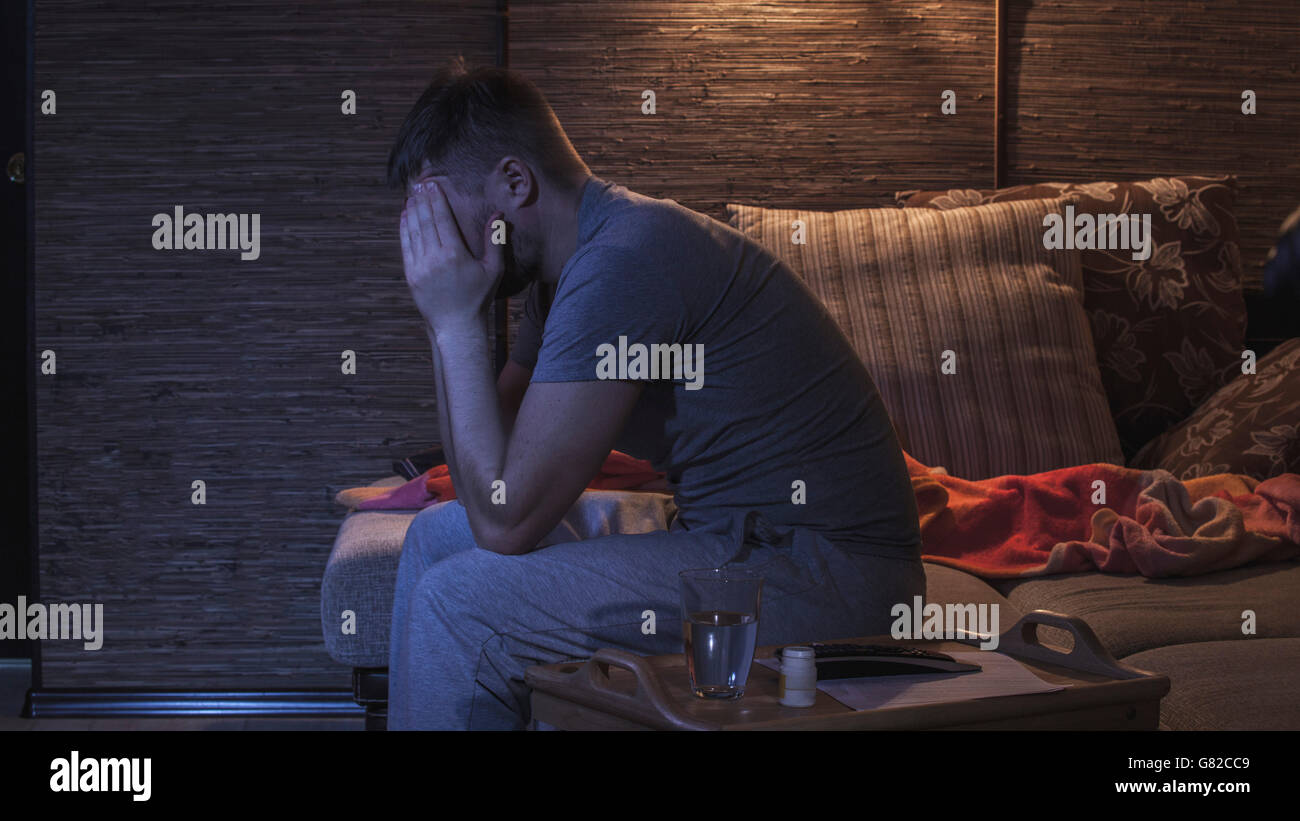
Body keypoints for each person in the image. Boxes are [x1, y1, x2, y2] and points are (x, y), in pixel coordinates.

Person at [385, 56, 923, 730]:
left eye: (438, 212)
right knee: (436, 537)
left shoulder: (622, 262)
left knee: (459, 602)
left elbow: (506, 521)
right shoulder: (568, 273)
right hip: (738, 539)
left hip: (831, 573)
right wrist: (446, 322)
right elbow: (485, 481)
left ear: (515, 182)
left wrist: (454, 320)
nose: (433, 243)